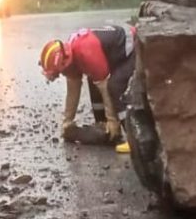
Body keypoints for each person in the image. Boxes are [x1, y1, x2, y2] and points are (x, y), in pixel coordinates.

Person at [39, 24, 136, 154]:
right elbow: (73, 90)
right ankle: (102, 124)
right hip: (112, 51)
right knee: (93, 80)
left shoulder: (86, 52)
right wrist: (67, 121)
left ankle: (133, 139)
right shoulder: (69, 55)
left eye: (58, 73)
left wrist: (113, 122)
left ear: (64, 64)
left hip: (134, 47)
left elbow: (105, 89)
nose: (60, 75)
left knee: (115, 86)